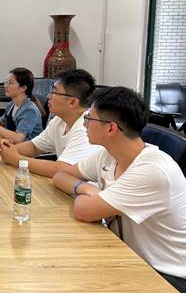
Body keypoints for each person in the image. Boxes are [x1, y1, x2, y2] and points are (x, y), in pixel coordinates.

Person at [53, 87, 186, 291]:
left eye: (89, 118)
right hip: (130, 256)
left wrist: (91, 197)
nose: (84, 124)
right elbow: (61, 175)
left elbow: (83, 211)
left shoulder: (153, 170)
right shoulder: (108, 155)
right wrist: (88, 189)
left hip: (167, 275)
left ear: (111, 129)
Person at [0, 68, 97, 177]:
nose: (48, 96)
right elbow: (35, 147)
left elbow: (63, 169)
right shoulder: (59, 121)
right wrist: (8, 149)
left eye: (54, 92)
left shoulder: (86, 128)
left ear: (72, 102)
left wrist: (17, 159)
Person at [0, 67, 43, 142]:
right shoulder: (12, 104)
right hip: (11, 144)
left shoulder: (29, 110)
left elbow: (18, 138)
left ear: (23, 88)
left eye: (10, 83)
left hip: (25, 148)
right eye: (6, 82)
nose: (5, 86)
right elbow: (2, 122)